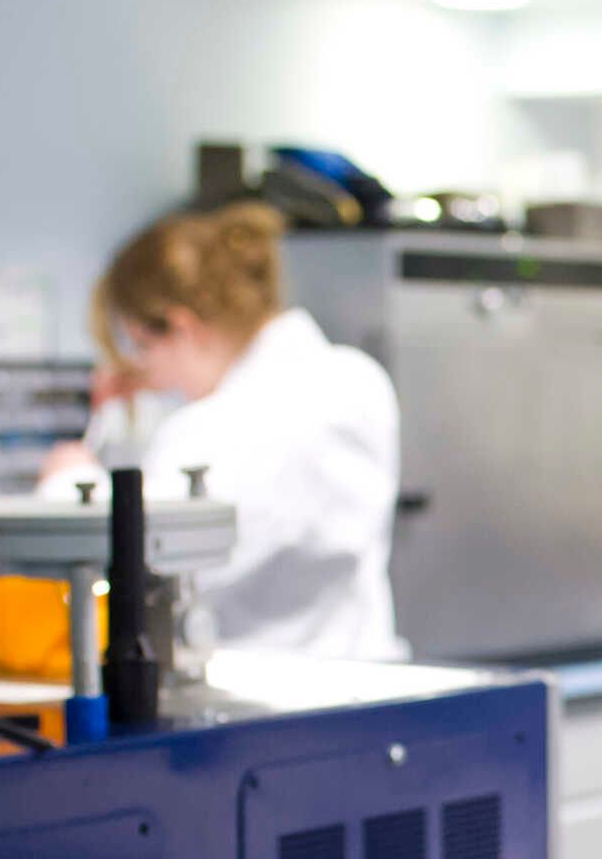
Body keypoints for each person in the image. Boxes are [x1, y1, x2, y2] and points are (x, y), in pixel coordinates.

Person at [45, 202, 401, 659]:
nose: (148, 371)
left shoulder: (217, 427)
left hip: (261, 696)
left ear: (182, 326)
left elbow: (139, 565)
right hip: (364, 676)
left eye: (141, 346)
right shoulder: (356, 379)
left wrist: (67, 480)